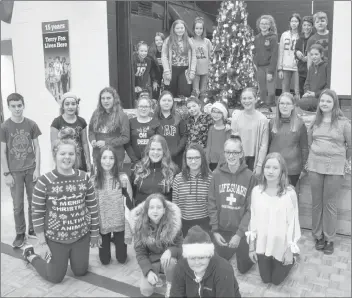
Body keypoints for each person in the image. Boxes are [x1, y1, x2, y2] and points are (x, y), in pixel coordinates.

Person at [22, 137, 99, 284]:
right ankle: (30, 255)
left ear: (76, 156)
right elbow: (37, 214)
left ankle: (73, 258)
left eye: (71, 154)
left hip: (81, 236)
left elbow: (93, 207)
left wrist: (94, 233)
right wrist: (42, 243)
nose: (67, 157)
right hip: (55, 239)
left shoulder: (84, 178)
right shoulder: (44, 181)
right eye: (63, 154)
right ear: (55, 155)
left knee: (81, 271)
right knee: (55, 278)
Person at [306, 89, 351, 255]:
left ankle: (329, 238)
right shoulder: (315, 121)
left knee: (330, 204)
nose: (324, 104)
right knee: (316, 203)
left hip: (335, 167)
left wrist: (340, 159)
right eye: (322, 101)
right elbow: (310, 141)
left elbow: (350, 147)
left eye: (328, 101)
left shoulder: (344, 123)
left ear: (334, 104)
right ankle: (318, 236)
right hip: (315, 166)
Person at [246, 152, 301, 285]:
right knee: (266, 279)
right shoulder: (256, 192)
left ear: (282, 171)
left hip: (281, 245)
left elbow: (293, 224)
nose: (270, 171)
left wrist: (289, 250)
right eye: (267, 167)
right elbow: (253, 220)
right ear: (263, 168)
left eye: (275, 168)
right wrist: (252, 247)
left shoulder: (290, 194)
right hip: (263, 244)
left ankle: (293, 257)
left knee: (276, 281)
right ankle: (268, 259)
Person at [208, 136, 256, 273]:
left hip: (242, 231)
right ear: (224, 153)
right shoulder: (216, 175)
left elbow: (251, 209)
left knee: (243, 268)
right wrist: (215, 231)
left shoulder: (250, 176)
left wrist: (239, 234)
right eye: (228, 152)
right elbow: (211, 204)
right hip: (222, 229)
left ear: (241, 154)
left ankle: (248, 244)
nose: (231, 155)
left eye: (235, 152)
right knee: (214, 263)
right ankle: (229, 247)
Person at [0, 93, 42, 248]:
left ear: (23, 105)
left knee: (34, 202)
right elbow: (2, 152)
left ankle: (32, 229)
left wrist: (37, 168)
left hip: (31, 169)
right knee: (17, 204)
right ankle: (20, 232)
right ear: (9, 107)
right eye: (13, 106)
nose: (17, 109)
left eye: (19, 105)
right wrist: (6, 173)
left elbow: (37, 147)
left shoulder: (31, 124)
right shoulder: (4, 127)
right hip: (15, 172)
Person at [129, 193, 183, 297]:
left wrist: (170, 251)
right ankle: (155, 274)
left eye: (159, 207)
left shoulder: (173, 225)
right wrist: (148, 272)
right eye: (151, 207)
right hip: (151, 261)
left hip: (168, 261)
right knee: (146, 291)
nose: (155, 211)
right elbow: (141, 254)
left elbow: (181, 247)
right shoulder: (139, 227)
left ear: (164, 210)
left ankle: (171, 284)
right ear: (147, 210)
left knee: (171, 262)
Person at [170, 225, 241, 298]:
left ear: (209, 255)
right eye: (192, 258)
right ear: (186, 257)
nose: (197, 263)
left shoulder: (224, 270)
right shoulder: (181, 267)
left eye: (201, 257)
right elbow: (175, 294)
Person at [91, 146, 133, 265]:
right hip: (103, 225)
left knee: (122, 259)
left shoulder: (123, 178)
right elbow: (92, 207)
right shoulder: (94, 181)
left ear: (116, 161)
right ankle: (107, 242)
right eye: (104, 158)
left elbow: (129, 206)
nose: (107, 161)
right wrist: (95, 230)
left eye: (111, 158)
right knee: (104, 261)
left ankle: (118, 242)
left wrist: (128, 231)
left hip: (120, 224)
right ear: (99, 160)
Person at [268, 92, 308, 187]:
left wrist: (304, 168)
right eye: (281, 103)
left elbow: (304, 148)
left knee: (288, 198)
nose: (284, 106)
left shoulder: (300, 124)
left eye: (288, 104)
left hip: (292, 169)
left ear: (293, 106)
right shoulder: (272, 123)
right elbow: (267, 144)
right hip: (273, 168)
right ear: (278, 106)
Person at [173, 143, 212, 236]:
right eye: (190, 158)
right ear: (185, 160)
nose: (193, 161)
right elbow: (175, 205)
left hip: (205, 224)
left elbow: (213, 205)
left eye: (197, 158)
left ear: (202, 158)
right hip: (184, 224)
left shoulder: (210, 178)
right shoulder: (178, 179)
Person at [89, 87, 130, 171]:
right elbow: (91, 131)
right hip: (98, 155)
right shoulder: (96, 114)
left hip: (115, 156)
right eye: (103, 98)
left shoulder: (122, 116)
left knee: (114, 182)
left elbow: (125, 138)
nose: (105, 101)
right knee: (99, 182)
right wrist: (92, 140)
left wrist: (106, 143)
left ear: (114, 99)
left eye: (108, 98)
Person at [231, 87, 269, 175]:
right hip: (239, 158)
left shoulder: (262, 119)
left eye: (250, 98)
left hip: (254, 159)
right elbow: (233, 140)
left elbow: (264, 144)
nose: (247, 101)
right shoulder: (236, 117)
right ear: (241, 100)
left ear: (255, 99)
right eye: (244, 98)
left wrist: (259, 165)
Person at [51, 92, 92, 172]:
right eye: (67, 104)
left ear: (77, 106)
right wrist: (56, 162)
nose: (70, 106)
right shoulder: (56, 122)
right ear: (62, 106)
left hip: (79, 160)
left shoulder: (82, 121)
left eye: (73, 104)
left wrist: (88, 162)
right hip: (64, 160)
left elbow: (84, 143)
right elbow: (54, 145)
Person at [132, 134, 177, 206]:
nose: (155, 152)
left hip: (164, 214)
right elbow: (132, 194)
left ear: (164, 151)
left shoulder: (173, 171)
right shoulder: (138, 169)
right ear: (148, 151)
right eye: (152, 149)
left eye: (159, 149)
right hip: (142, 214)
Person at [161, 19, 196, 98]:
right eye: (177, 28)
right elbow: (164, 56)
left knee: (185, 93)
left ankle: (183, 109)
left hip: (185, 70)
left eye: (181, 28)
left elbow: (194, 57)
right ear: (173, 29)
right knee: (171, 93)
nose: (180, 30)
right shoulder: (168, 41)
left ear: (185, 29)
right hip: (172, 69)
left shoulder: (189, 41)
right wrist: (167, 72)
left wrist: (192, 71)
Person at [154, 91, 187, 170]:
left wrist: (177, 150)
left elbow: (184, 135)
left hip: (175, 156)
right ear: (159, 102)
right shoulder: (153, 118)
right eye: (164, 100)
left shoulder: (178, 117)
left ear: (173, 103)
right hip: (158, 156)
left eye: (169, 100)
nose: (166, 103)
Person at [124, 95, 160, 168]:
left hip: (153, 161)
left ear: (150, 108)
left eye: (146, 106)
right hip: (135, 163)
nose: (143, 109)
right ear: (137, 108)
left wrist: (152, 159)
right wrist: (136, 161)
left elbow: (159, 143)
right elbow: (127, 144)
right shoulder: (130, 122)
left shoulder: (156, 122)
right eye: (141, 106)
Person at [253, 15, 278, 108]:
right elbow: (255, 52)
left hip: (269, 67)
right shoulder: (256, 38)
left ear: (270, 25)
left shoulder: (273, 37)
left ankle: (271, 106)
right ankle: (262, 106)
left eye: (266, 24)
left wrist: (270, 71)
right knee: (262, 89)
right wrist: (255, 64)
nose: (264, 25)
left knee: (270, 90)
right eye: (262, 23)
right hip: (259, 67)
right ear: (259, 25)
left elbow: (274, 55)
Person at [298, 44, 329, 112]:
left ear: (322, 54)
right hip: (311, 97)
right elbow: (307, 83)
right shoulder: (311, 68)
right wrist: (307, 93)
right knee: (301, 102)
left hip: (322, 97)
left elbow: (328, 86)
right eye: (311, 55)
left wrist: (315, 94)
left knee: (304, 103)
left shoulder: (326, 67)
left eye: (316, 54)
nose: (313, 57)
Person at [278, 13, 301, 100]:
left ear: (299, 23)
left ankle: (298, 109)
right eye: (292, 21)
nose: (294, 23)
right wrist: (280, 68)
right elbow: (281, 52)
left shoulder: (301, 35)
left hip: (297, 67)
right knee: (285, 90)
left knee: (297, 90)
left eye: (296, 21)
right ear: (289, 23)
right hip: (285, 66)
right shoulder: (284, 34)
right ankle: (285, 106)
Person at [190, 17, 212, 101]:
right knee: (196, 91)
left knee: (203, 92)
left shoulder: (207, 41)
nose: (198, 30)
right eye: (197, 28)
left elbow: (211, 55)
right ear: (193, 29)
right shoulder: (190, 41)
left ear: (203, 29)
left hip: (205, 71)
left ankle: (202, 109)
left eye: (200, 28)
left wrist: (210, 68)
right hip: (195, 71)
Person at [206, 101, 231, 171]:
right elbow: (208, 146)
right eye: (214, 111)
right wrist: (207, 162)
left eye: (219, 112)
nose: (216, 114)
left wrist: (218, 167)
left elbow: (226, 149)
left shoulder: (227, 129)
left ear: (223, 114)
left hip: (222, 163)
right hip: (211, 162)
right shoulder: (211, 128)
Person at [295, 16, 314, 97]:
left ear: (312, 26)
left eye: (309, 25)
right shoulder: (300, 39)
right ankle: (303, 105)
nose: (306, 27)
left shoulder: (314, 38)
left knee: (310, 88)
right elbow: (295, 50)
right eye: (305, 25)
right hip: (301, 69)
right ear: (302, 26)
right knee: (302, 89)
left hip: (311, 69)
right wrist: (297, 52)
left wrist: (310, 57)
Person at [148, 32, 165, 99]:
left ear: (163, 40)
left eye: (160, 40)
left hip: (165, 75)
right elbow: (151, 68)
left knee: (165, 93)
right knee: (155, 92)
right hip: (156, 75)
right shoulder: (152, 51)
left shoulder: (166, 50)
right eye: (157, 40)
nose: (159, 42)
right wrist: (154, 80)